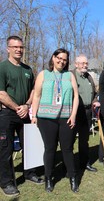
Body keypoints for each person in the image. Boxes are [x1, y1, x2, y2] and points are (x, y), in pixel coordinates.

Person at [0, 36, 44, 197]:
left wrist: (26, 106)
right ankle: (7, 182)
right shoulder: (3, 67)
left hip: (25, 112)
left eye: (21, 47)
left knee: (30, 146)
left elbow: (34, 91)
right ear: (8, 48)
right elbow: (1, 93)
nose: (18, 50)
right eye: (15, 47)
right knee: (6, 149)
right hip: (7, 114)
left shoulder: (27, 69)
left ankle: (30, 173)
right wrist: (16, 107)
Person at [31, 48, 79, 193]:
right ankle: (48, 178)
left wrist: (73, 115)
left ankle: (72, 177)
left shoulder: (69, 75)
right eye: (59, 58)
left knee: (67, 149)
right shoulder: (43, 74)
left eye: (64, 59)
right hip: (46, 118)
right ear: (53, 58)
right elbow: (37, 95)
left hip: (66, 118)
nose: (61, 61)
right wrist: (34, 115)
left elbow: (76, 96)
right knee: (50, 149)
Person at [72, 54, 98, 172]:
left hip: (87, 112)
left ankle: (84, 163)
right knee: (70, 139)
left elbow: (95, 92)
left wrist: (95, 100)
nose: (85, 65)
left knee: (84, 139)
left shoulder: (89, 77)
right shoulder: (71, 75)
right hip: (75, 112)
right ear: (76, 64)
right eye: (82, 63)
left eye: (86, 63)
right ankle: (69, 165)